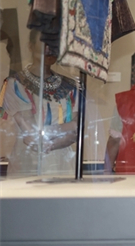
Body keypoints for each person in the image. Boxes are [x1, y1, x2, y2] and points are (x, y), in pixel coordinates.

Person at [0, 29, 78, 176]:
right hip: (29, 162)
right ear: (31, 46)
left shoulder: (70, 86)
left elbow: (77, 129)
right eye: (44, 43)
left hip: (62, 162)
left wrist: (52, 141)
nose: (50, 48)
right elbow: (31, 133)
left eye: (54, 43)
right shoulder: (15, 84)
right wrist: (63, 129)